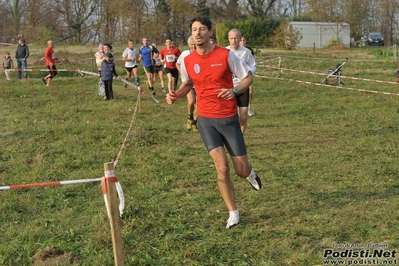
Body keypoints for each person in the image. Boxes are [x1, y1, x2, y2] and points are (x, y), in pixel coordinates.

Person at [166, 15, 262, 229]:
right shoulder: (188, 60)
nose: (197, 33)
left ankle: (249, 172)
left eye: (202, 29)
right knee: (222, 168)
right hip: (206, 120)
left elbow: (248, 78)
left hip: (228, 119)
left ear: (210, 32)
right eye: (194, 29)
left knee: (240, 170)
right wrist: (176, 95)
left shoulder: (226, 55)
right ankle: (233, 213)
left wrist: (234, 90)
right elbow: (187, 84)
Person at [227, 29, 256, 134]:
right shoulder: (224, 51)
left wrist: (248, 73)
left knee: (243, 116)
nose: (234, 41)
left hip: (243, 86)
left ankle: (240, 138)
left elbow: (253, 66)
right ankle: (230, 136)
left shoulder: (246, 52)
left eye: (236, 38)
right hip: (229, 88)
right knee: (230, 116)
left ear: (240, 39)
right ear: (228, 39)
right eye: (232, 38)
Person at [176, 36, 198, 132]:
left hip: (198, 83)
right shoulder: (185, 54)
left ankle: (194, 122)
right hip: (189, 83)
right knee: (191, 101)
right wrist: (182, 72)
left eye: (194, 44)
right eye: (191, 44)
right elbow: (177, 63)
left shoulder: (200, 53)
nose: (193, 46)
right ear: (189, 44)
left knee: (199, 106)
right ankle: (189, 117)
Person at [240, 36, 255, 117]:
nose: (242, 41)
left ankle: (249, 106)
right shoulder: (234, 52)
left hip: (248, 75)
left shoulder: (248, 51)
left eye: (244, 40)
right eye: (241, 40)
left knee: (250, 91)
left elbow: (252, 63)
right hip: (238, 76)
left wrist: (250, 71)